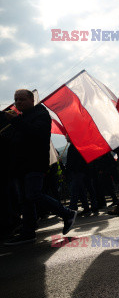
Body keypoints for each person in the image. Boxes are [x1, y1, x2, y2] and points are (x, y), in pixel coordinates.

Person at [1, 89, 76, 245]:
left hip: (34, 163)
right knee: (25, 200)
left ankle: (67, 213)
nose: (18, 102)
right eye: (16, 99)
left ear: (31, 99)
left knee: (33, 194)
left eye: (22, 99)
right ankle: (28, 232)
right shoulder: (21, 118)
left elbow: (36, 134)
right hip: (20, 167)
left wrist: (15, 121)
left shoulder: (40, 114)